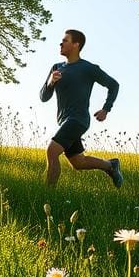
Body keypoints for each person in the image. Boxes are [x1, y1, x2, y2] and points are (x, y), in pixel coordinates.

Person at [40, 29, 123, 188]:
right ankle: (110, 165)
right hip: (64, 120)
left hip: (78, 119)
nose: (61, 43)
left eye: (65, 40)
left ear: (76, 45)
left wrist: (106, 109)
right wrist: (51, 83)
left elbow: (114, 85)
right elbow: (44, 97)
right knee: (78, 162)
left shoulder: (88, 68)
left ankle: (47, 195)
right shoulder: (56, 68)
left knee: (52, 151)